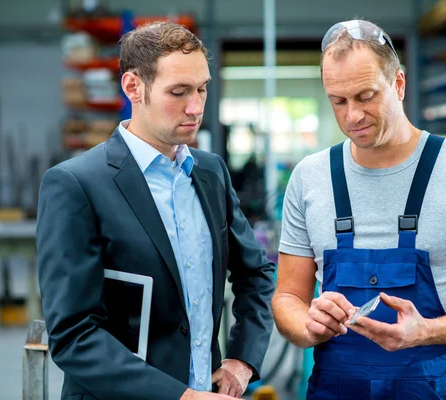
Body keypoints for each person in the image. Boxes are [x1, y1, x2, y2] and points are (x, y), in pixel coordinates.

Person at [271, 19, 446, 400]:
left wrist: (427, 331)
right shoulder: (310, 177)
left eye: (366, 96)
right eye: (338, 101)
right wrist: (309, 325)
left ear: (399, 84)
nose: (352, 116)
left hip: (431, 389)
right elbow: (287, 298)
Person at [37, 22, 275, 400]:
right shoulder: (76, 185)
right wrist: (179, 397)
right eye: (178, 92)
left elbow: (257, 273)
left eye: (202, 88)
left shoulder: (209, 171)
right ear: (134, 87)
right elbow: (73, 335)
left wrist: (242, 360)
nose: (195, 107)